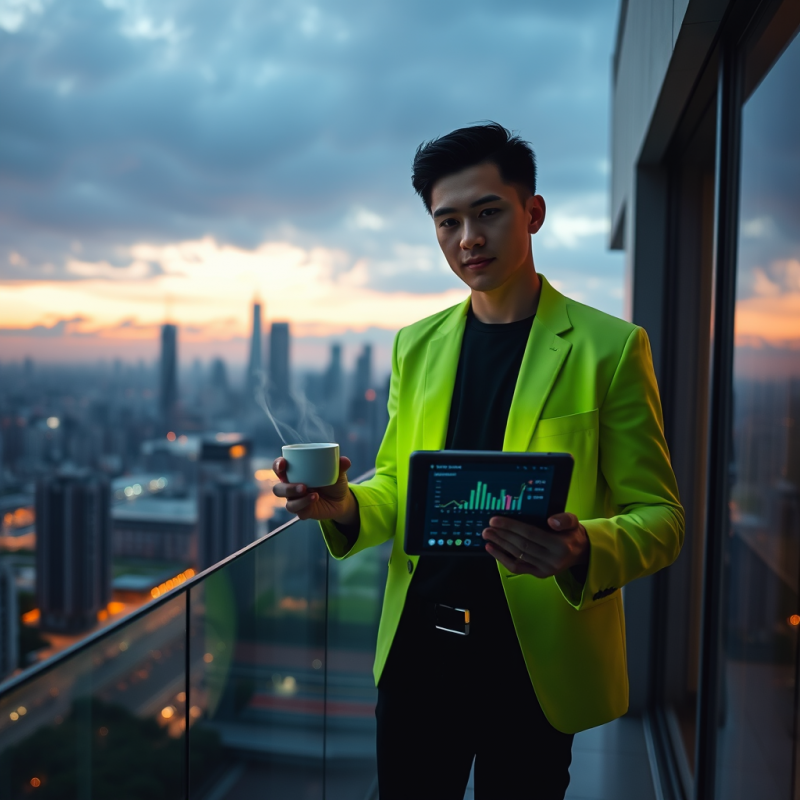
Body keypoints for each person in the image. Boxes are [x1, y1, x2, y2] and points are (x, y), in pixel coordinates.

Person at [273, 122, 684, 799]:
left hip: (533, 664)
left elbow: (662, 519)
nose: (468, 238)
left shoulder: (610, 349)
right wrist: (344, 505)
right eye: (448, 222)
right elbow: (400, 486)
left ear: (533, 212)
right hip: (417, 654)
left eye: (488, 213)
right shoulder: (416, 345)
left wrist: (582, 547)